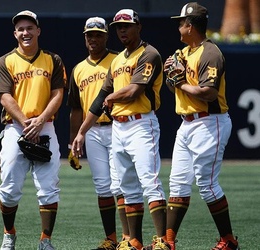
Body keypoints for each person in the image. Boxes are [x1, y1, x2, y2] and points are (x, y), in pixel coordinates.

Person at [72, 9, 169, 250]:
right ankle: (134, 240)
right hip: (119, 127)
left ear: (138, 27)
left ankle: (162, 241)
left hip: (141, 123)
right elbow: (99, 99)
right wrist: (82, 132)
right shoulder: (117, 61)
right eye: (118, 27)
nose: (122, 30)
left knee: (150, 180)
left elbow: (134, 90)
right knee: (126, 186)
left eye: (127, 26)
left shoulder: (149, 54)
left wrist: (112, 97)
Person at [163, 2, 239, 250]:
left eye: (181, 22)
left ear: (190, 25)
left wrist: (180, 84)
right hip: (186, 124)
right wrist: (171, 79)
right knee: (178, 183)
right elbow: (172, 81)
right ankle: (168, 241)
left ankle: (228, 240)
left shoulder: (210, 53)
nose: (178, 26)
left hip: (210, 122)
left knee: (206, 185)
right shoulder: (184, 53)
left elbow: (207, 92)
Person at [0, 10, 67, 250]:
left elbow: (58, 93)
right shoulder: (5, 61)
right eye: (21, 29)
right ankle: (9, 233)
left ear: (38, 31)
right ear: (15, 33)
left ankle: (45, 240)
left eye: (29, 28)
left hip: (46, 126)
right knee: (9, 188)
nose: (25, 32)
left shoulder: (53, 60)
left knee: (48, 187)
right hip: (15, 128)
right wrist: (26, 122)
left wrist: (41, 119)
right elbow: (4, 97)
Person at [68, 17, 129, 250]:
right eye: (89, 35)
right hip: (91, 131)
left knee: (120, 184)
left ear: (106, 36)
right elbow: (75, 108)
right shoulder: (78, 69)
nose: (93, 39)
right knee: (103, 186)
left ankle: (127, 238)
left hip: (116, 127)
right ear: (85, 38)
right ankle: (112, 239)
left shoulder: (118, 60)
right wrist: (73, 140)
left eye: (98, 34)